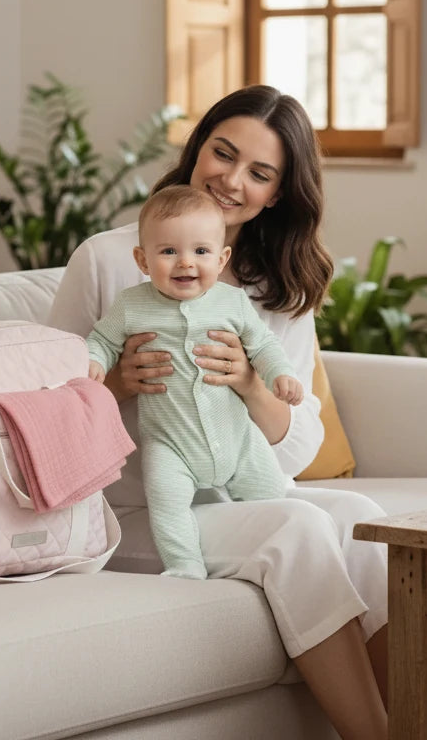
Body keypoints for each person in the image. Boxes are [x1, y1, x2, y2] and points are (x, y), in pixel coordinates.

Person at [49, 85, 389, 740]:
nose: (232, 181)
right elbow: (44, 414)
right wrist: (115, 383)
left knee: (365, 523)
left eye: (259, 173)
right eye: (222, 154)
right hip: (131, 511)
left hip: (237, 495)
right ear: (197, 149)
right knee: (294, 529)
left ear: (279, 194)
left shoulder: (280, 285)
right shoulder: (107, 260)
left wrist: (252, 389)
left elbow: (296, 451)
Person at [86, 184, 302, 580]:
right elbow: (101, 340)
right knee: (167, 503)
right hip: (170, 445)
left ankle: (272, 558)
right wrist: (94, 362)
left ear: (221, 260)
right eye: (168, 251)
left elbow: (263, 343)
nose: (185, 262)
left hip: (238, 439)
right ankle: (185, 565)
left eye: (200, 252)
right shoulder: (132, 305)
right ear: (143, 259)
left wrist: (279, 375)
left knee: (276, 506)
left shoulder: (233, 302)